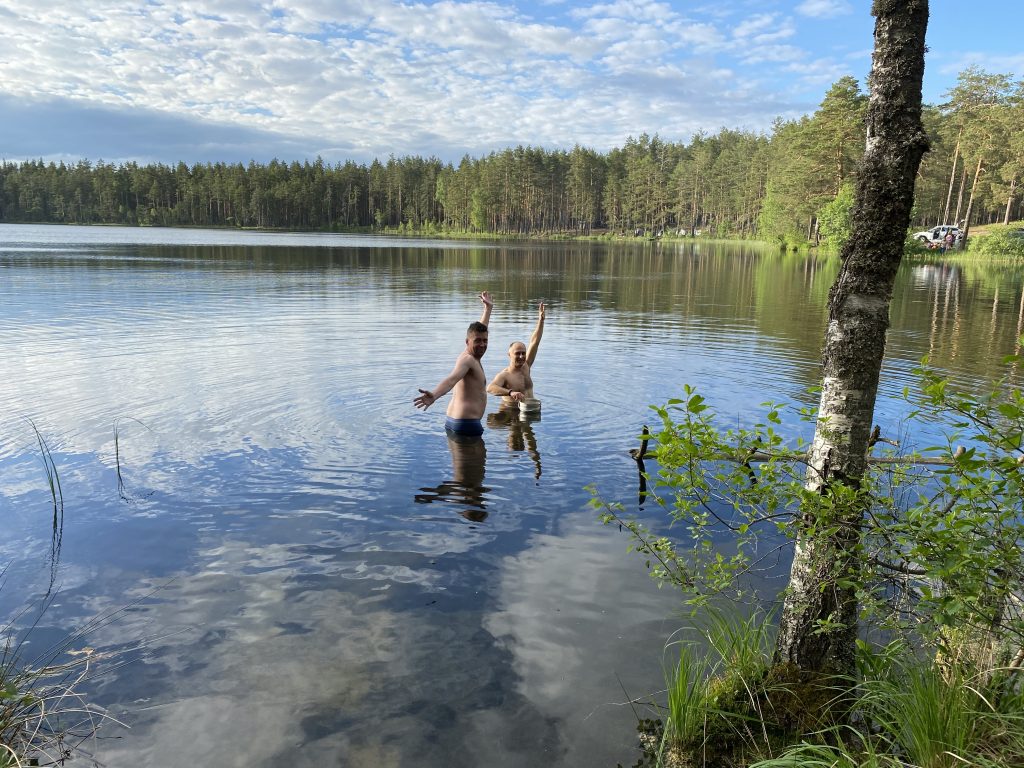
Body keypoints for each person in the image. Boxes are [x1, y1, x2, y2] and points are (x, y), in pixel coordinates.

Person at [414, 292, 493, 437]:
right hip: (466, 424)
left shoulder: (470, 356)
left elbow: (480, 331)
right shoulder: (467, 360)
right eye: (478, 341)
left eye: (485, 341)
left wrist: (487, 309)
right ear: (467, 342)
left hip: (456, 421)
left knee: (463, 460)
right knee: (475, 461)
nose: (482, 344)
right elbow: (451, 380)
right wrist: (434, 396)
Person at [487, 301, 545, 404]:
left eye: (523, 353)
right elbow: (490, 388)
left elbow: (534, 342)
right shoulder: (504, 375)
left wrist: (541, 320)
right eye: (517, 353)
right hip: (509, 413)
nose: (521, 356)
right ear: (509, 355)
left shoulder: (526, 366)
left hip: (530, 411)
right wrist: (510, 393)